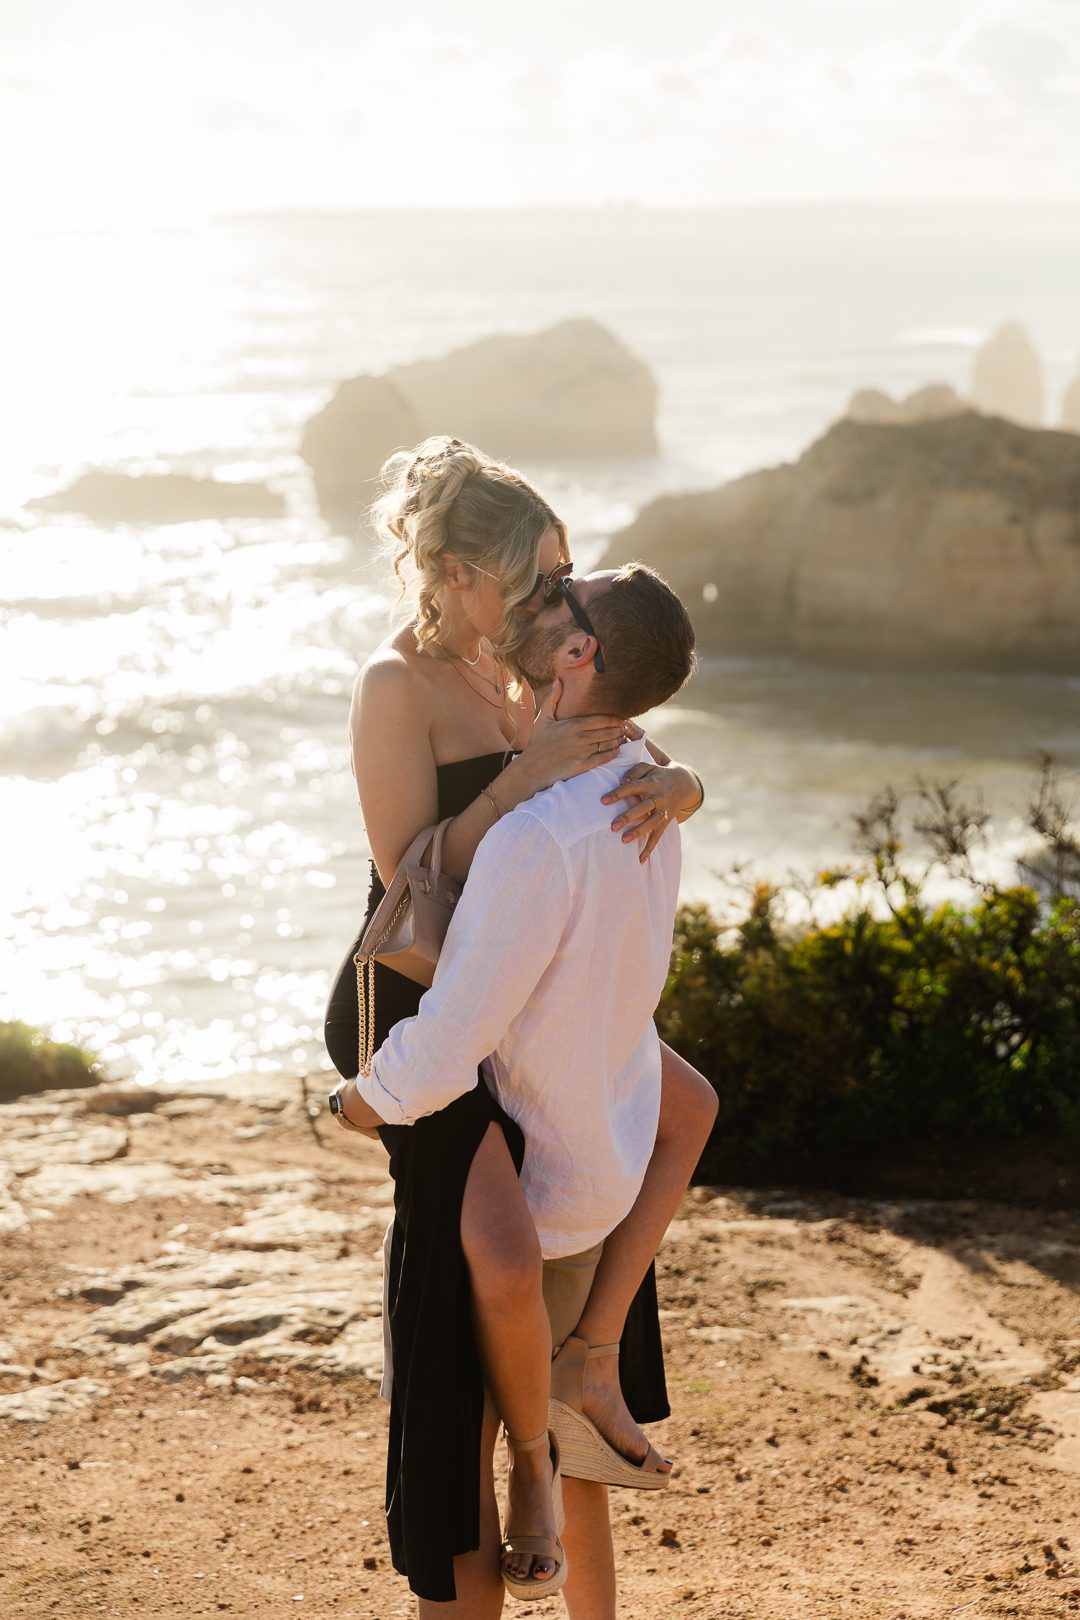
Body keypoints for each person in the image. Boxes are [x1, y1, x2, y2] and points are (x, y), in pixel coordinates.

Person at [322, 436, 716, 1608]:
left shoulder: (529, 659)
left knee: (685, 1105)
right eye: (531, 580)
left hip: (525, 994)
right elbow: (406, 877)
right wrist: (515, 782)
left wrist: (682, 781)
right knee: (494, 1250)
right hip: (417, 985)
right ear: (447, 572)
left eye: (563, 573)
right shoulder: (396, 687)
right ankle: (531, 1465)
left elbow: (622, 744)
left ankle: (588, 1359)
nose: (553, 601)